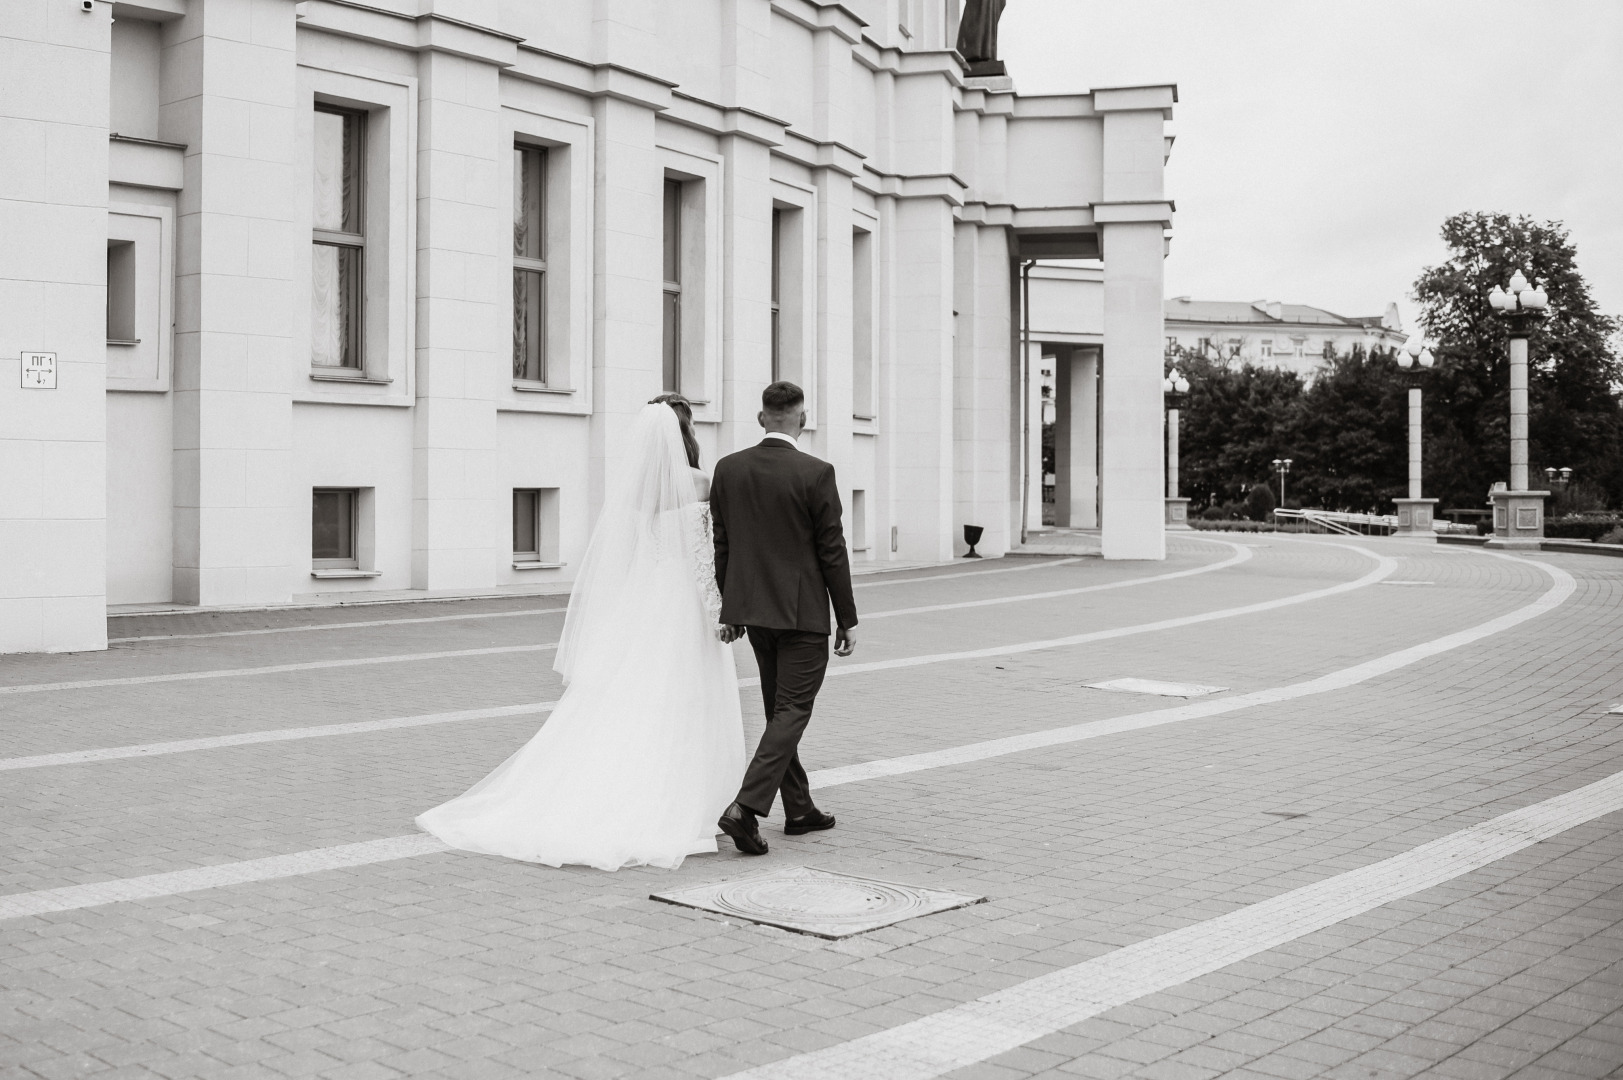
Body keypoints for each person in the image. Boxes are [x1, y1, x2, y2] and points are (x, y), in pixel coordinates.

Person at [416, 397, 744, 872]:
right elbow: (703, 555)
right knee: (686, 696)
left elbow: (631, 553)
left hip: (647, 600)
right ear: (685, 432)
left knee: (636, 698)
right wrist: (720, 608)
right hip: (685, 604)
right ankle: (681, 798)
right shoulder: (698, 483)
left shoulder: (637, 492)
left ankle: (611, 786)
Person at [711, 381, 859, 855]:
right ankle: (746, 809)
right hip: (803, 616)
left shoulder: (729, 469)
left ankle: (799, 810)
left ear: (761, 418)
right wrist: (847, 618)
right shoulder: (816, 472)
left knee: (781, 712)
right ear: (802, 418)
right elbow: (831, 551)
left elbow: (724, 545)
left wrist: (731, 609)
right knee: (793, 711)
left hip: (755, 615)